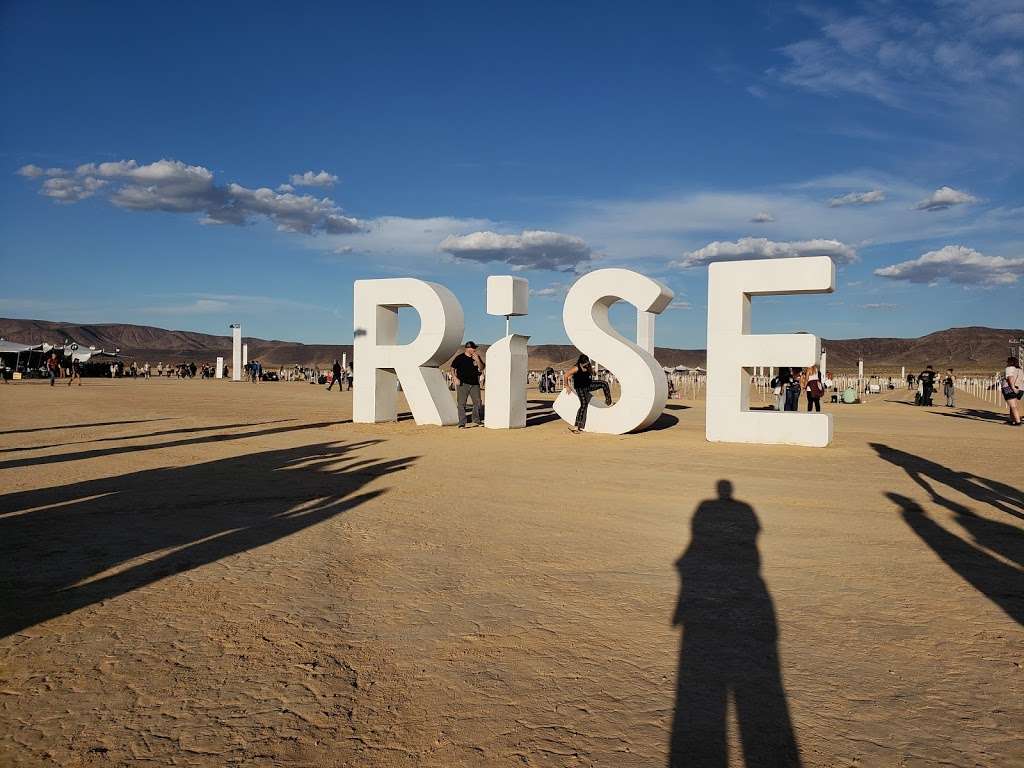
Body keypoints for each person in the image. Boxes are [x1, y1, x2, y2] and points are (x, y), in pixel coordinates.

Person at [565, 354, 612, 433]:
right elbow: (566, 375)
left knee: (604, 383)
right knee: (583, 404)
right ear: (580, 363)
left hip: (588, 385)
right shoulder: (576, 368)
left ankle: (608, 402)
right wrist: (567, 386)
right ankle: (577, 426)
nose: (586, 365)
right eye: (585, 364)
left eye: (587, 363)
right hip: (580, 388)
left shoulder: (588, 365)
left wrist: (592, 372)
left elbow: (592, 373)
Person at [451, 341, 485, 428]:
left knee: (478, 402)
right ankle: (462, 423)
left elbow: (481, 368)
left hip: (475, 383)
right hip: (463, 383)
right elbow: (452, 367)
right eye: (473, 348)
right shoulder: (460, 358)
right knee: (461, 404)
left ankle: (476, 420)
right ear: (468, 348)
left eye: (475, 348)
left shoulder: (476, 357)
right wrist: (455, 377)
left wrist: (477, 359)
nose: (474, 349)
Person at [1001, 356, 1022, 426]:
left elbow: (1010, 378)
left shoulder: (1009, 368)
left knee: (1013, 406)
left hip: (1008, 388)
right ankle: (1012, 420)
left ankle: (1017, 421)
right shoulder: (1019, 369)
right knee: (1014, 405)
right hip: (1019, 388)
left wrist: (1013, 388)